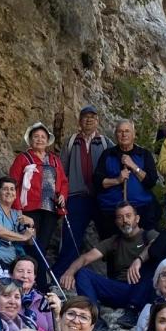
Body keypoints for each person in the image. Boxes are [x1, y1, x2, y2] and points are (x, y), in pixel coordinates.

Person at [59, 202, 156, 331]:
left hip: (142, 289)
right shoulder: (114, 241)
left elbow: (156, 246)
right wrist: (69, 272)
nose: (125, 220)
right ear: (116, 221)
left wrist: (139, 260)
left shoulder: (148, 235)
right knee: (82, 273)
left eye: (128, 216)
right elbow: (85, 258)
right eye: (120, 217)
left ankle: (133, 313)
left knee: (153, 268)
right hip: (119, 289)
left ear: (137, 219)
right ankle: (94, 318)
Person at [55, 106, 114, 275]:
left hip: (101, 197)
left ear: (98, 121)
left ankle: (114, 274)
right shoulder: (72, 141)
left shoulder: (105, 143)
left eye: (93, 117)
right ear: (79, 121)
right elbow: (61, 170)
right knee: (71, 238)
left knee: (108, 236)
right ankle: (61, 276)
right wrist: (61, 193)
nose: (89, 120)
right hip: (76, 196)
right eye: (85, 117)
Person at [9, 122, 68, 290]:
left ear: (48, 140)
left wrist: (63, 196)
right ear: (30, 140)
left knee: (42, 245)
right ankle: (40, 284)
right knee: (33, 244)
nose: (40, 139)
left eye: (43, 137)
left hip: (50, 209)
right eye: (36, 137)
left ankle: (34, 282)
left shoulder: (54, 160)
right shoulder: (23, 158)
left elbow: (63, 181)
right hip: (29, 209)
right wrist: (17, 208)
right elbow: (14, 182)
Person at [94, 118, 159, 238]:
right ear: (115, 135)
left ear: (134, 135)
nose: (123, 134)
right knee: (112, 248)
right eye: (120, 131)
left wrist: (134, 166)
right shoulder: (107, 155)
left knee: (147, 245)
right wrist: (117, 180)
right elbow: (97, 182)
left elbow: (151, 181)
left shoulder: (144, 154)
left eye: (127, 131)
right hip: (111, 211)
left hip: (141, 209)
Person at [0, 176, 35, 268]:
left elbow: (31, 242)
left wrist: (31, 224)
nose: (9, 192)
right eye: (5, 189)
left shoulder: (16, 214)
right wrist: (23, 237)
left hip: (15, 261)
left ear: (16, 194)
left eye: (12, 189)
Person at [10, 255, 62, 331]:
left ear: (34, 278)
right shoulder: (4, 299)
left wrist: (57, 314)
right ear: (11, 275)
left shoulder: (44, 301)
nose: (25, 276)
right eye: (20, 271)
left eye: (29, 272)